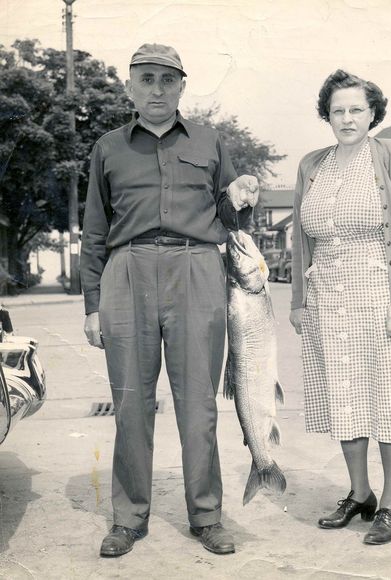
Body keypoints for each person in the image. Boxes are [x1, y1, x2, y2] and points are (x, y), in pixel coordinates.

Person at [80, 43, 259, 558]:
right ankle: (127, 517)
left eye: (167, 79)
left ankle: (206, 516)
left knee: (199, 403)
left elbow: (231, 216)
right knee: (131, 402)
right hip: (127, 271)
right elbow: (95, 229)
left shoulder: (208, 140)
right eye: (146, 79)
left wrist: (241, 194)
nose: (156, 89)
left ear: (182, 85)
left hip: (197, 268)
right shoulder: (107, 147)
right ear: (130, 87)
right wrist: (93, 304)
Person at [289, 70, 391, 545]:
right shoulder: (312, 164)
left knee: (390, 394)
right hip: (328, 296)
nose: (347, 118)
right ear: (326, 115)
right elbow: (300, 239)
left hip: (380, 290)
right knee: (345, 394)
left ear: (373, 112)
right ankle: (360, 493)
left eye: (357, 109)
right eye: (338, 110)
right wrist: (298, 300)